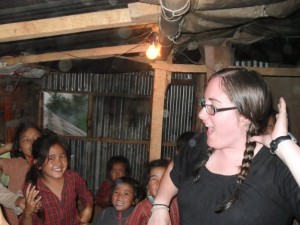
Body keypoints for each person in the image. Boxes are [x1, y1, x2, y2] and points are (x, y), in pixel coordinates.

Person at [147, 68, 300, 225]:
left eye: (212, 107)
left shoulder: (279, 167)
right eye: (203, 103)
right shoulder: (198, 146)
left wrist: (284, 144)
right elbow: (175, 168)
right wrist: (160, 205)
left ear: (245, 116)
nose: (201, 114)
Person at [21, 134, 93, 225]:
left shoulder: (72, 178)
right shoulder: (32, 189)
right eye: (51, 158)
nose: (58, 162)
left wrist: (89, 207)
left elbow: (85, 192)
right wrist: (28, 213)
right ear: (38, 164)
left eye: (62, 156)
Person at [0, 122, 42, 225]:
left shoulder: (50, 168)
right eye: (26, 140)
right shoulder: (16, 164)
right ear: (19, 146)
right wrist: (6, 148)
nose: (32, 143)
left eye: (37, 139)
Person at [125, 159, 179, 225]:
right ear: (147, 184)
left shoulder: (177, 202)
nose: (159, 183)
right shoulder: (142, 208)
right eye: (154, 179)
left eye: (163, 178)